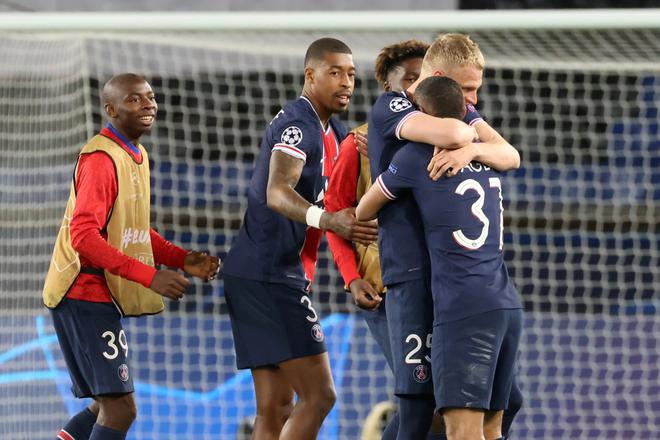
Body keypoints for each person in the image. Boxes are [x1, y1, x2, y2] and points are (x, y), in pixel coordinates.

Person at [43, 73, 220, 440]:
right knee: (120, 408)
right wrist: (149, 275)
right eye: (134, 99)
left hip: (98, 292)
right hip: (81, 291)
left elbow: (132, 229)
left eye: (150, 97)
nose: (148, 105)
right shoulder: (100, 159)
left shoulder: (136, 155)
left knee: (104, 405)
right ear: (111, 109)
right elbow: (83, 237)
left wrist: (182, 258)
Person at [366, 33, 523, 440]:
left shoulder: (460, 111)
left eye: (475, 90)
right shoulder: (393, 106)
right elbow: (456, 134)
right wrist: (470, 141)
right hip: (414, 275)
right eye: (466, 88)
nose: (472, 99)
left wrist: (472, 151)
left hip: (451, 275)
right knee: (420, 407)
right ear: (439, 78)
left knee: (496, 402)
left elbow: (510, 154)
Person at [221, 38, 378, 440]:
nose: (346, 82)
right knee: (320, 396)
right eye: (335, 72)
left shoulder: (335, 131)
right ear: (310, 75)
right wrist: (327, 220)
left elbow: (343, 198)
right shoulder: (298, 124)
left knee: (275, 409)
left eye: (352, 74)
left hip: (260, 275)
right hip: (269, 276)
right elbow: (277, 192)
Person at [325, 39, 453, 440]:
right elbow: (335, 215)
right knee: (421, 398)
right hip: (385, 292)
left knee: (443, 399)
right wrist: (352, 277)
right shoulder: (356, 144)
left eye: (424, 79)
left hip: (440, 288)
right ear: (388, 89)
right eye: (408, 79)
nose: (416, 88)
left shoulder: (447, 138)